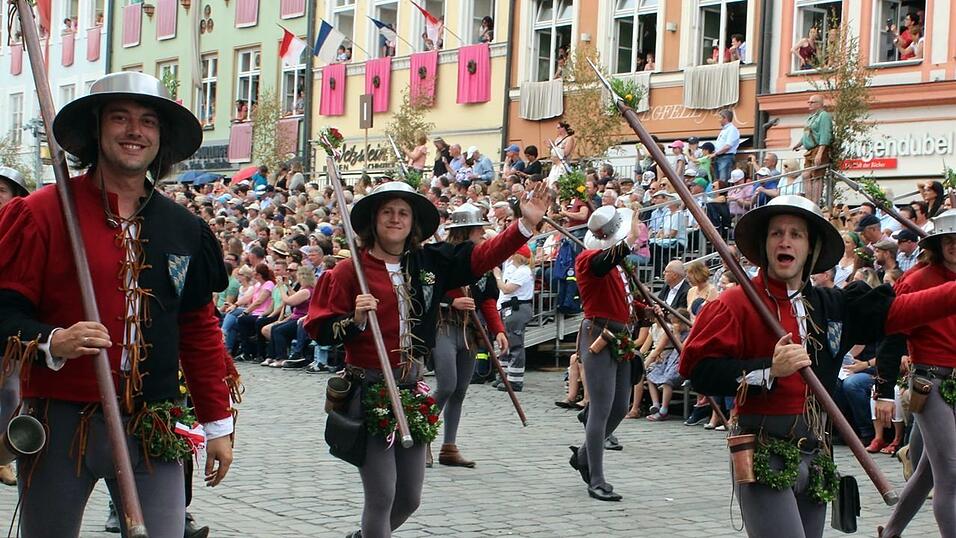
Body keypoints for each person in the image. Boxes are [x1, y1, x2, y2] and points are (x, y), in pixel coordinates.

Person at [0, 72, 234, 537]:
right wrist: (52, 340)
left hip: (153, 422)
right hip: (62, 421)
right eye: (120, 118)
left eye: (148, 121)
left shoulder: (184, 228)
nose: (135, 131)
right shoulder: (41, 213)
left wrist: (217, 421)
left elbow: (198, 328)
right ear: (96, 129)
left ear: (160, 137)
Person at [679, 195, 956, 538]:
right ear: (764, 246)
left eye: (796, 234)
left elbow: (900, 311)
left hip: (818, 453)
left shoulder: (832, 303)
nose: (785, 241)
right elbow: (696, 369)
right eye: (776, 233)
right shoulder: (736, 303)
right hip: (764, 450)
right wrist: (769, 369)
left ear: (811, 247)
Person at [305, 179, 548, 538]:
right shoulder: (348, 272)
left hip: (412, 389)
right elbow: (319, 328)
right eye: (387, 211)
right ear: (373, 220)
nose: (395, 218)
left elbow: (480, 257)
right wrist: (354, 321)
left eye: (403, 212)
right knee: (382, 495)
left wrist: (523, 226)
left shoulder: (429, 262)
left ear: (412, 222)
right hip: (369, 390)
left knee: (410, 499)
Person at [877, 208, 956, 538]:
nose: (954, 245)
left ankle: (891, 532)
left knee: (928, 471)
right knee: (951, 472)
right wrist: (882, 390)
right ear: (938, 244)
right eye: (949, 240)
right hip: (931, 381)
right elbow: (892, 334)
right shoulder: (916, 279)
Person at [568, 205, 648, 502]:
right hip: (599, 335)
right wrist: (633, 234)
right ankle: (596, 477)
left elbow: (622, 300)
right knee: (601, 408)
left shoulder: (616, 264)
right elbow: (607, 261)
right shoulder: (589, 260)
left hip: (622, 336)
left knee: (619, 406)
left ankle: (584, 455)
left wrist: (643, 311)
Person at [431, 203, 507, 467]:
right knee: (446, 386)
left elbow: (486, 299)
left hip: (470, 331)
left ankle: (449, 446)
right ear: (469, 231)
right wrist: (449, 302)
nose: (482, 236)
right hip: (443, 326)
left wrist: (498, 329)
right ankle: (422, 438)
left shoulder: (481, 262)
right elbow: (424, 293)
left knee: (460, 390)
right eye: (479, 231)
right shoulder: (441, 257)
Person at [0, 166, 29, 487]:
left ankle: (3, 454)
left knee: (10, 391)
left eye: (1, 191)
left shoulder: (23, 231)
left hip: (9, 324)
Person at [494, 244, 534, 392]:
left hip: (517, 308)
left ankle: (514, 381)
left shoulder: (523, 271)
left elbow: (507, 288)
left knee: (515, 344)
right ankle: (504, 376)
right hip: (508, 308)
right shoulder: (513, 268)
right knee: (506, 343)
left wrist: (497, 276)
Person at [791, 94, 832, 204]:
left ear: (819, 104)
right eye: (809, 102)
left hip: (818, 149)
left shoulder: (823, 116)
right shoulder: (812, 117)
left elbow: (825, 134)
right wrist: (799, 144)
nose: (809, 104)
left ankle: (815, 202)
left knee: (817, 176)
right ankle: (809, 201)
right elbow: (807, 133)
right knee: (806, 175)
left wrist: (820, 153)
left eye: (812, 102)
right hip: (810, 151)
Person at [713, 110, 740, 182]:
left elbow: (728, 146)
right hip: (720, 157)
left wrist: (715, 153)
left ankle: (723, 193)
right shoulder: (725, 130)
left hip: (726, 157)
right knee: (717, 181)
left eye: (720, 118)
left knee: (723, 181)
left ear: (725, 118)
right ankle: (719, 193)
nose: (719, 120)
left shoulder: (732, 129)